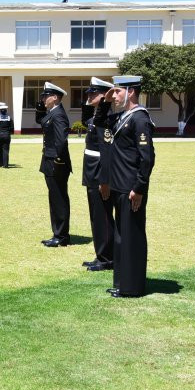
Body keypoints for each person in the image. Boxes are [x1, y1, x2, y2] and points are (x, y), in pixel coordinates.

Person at [95, 76, 156, 298]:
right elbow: (100, 124)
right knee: (121, 239)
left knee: (132, 238)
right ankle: (122, 283)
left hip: (131, 189)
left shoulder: (139, 119)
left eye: (118, 91)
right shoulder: (122, 117)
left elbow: (147, 158)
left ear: (131, 92)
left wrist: (139, 188)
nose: (115, 96)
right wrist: (104, 102)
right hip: (120, 187)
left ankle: (133, 287)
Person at [81, 77, 115, 271]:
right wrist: (95, 101)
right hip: (91, 172)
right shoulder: (95, 117)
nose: (89, 96)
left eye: (93, 93)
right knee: (96, 216)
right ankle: (100, 254)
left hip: (99, 174)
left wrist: (105, 179)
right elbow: (85, 116)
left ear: (104, 96)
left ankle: (107, 258)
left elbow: (107, 151)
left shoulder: (106, 119)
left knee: (102, 216)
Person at [36, 82, 72, 247]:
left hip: (56, 162)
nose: (43, 98)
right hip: (50, 160)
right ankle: (57, 232)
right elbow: (41, 121)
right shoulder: (52, 112)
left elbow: (61, 141)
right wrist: (40, 107)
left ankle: (62, 236)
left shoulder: (58, 115)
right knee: (54, 197)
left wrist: (58, 161)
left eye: (46, 96)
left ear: (55, 97)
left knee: (59, 198)